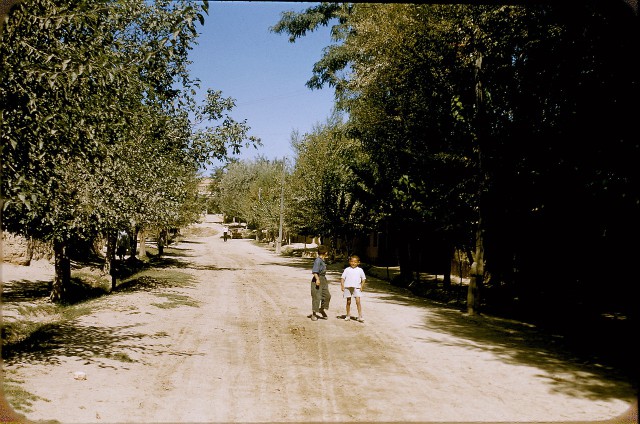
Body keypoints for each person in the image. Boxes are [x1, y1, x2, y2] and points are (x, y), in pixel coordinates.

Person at [340, 254, 366, 322]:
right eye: (351, 261)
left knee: (358, 302)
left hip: (356, 287)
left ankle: (360, 316)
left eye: (355, 262)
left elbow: (363, 279)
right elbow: (342, 278)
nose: (353, 263)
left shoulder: (360, 270)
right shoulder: (347, 270)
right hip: (348, 287)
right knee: (348, 301)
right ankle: (348, 315)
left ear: (358, 262)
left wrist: (361, 287)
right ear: (349, 262)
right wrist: (342, 286)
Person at [309, 245, 331, 321]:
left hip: (323, 280)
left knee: (327, 296)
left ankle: (322, 309)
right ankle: (314, 314)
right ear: (325, 253)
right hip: (317, 279)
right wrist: (317, 279)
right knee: (316, 297)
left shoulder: (322, 260)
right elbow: (315, 271)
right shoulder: (318, 260)